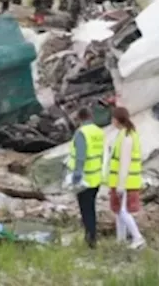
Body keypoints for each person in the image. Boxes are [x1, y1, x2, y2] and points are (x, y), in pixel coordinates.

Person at [104, 106, 146, 250]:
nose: (111, 121)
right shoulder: (124, 134)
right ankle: (120, 240)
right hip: (122, 180)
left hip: (127, 181)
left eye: (112, 118)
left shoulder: (127, 137)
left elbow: (125, 162)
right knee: (118, 212)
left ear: (117, 120)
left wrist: (121, 184)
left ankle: (138, 238)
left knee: (124, 211)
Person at [67, 106, 105, 248]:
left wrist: (76, 176)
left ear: (79, 118)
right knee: (91, 208)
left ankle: (90, 241)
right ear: (91, 116)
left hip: (84, 179)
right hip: (96, 177)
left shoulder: (81, 133)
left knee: (86, 210)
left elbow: (81, 157)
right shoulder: (99, 132)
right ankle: (92, 237)